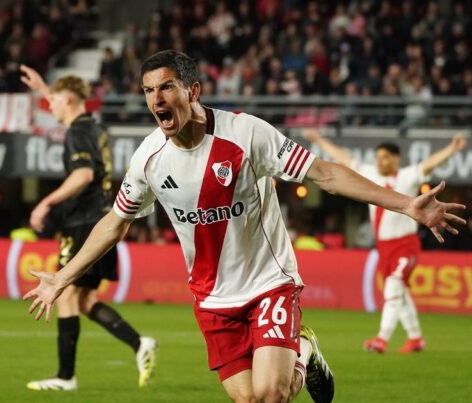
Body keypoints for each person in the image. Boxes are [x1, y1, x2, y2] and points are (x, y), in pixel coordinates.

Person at [24, 50, 466, 403]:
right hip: (213, 296)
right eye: (148, 90)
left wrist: (407, 204)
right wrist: (62, 277)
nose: (156, 99)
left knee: (272, 395)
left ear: (192, 90)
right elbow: (115, 223)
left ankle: (296, 349)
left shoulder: (246, 134)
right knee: (250, 398)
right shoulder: (148, 160)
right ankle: (305, 351)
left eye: (167, 87)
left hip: (269, 281)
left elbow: (325, 174)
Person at [20, 64, 158, 391]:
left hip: (82, 222)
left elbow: (82, 176)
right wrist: (42, 86)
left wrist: (45, 203)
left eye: (53, 101)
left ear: (67, 100)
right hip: (101, 219)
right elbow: (61, 99)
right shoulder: (94, 127)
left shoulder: (76, 133)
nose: (48, 105)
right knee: (82, 300)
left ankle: (65, 378)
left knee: (64, 294)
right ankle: (140, 343)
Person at [304, 129, 468, 353]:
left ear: (395, 159)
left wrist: (452, 148)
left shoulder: (407, 176)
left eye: (384, 157)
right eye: (378, 157)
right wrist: (319, 140)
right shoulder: (371, 175)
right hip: (383, 247)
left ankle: (382, 339)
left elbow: (429, 164)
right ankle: (416, 338)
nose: (380, 161)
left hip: (405, 244)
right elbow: (343, 158)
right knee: (399, 293)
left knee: (393, 287)